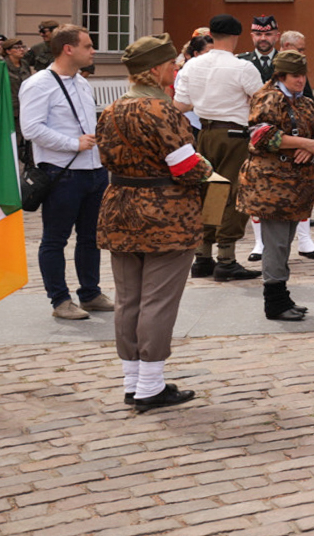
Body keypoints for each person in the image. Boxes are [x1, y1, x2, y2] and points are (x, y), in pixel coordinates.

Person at [97, 35, 212, 412]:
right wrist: (207, 166)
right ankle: (150, 385)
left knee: (128, 299)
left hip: (121, 209)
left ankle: (133, 381)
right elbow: (186, 167)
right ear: (155, 69)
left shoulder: (111, 109)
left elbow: (105, 158)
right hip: (166, 215)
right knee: (158, 301)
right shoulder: (163, 111)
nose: (175, 70)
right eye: (171, 65)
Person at [20, 25, 116, 321]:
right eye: (88, 46)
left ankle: (90, 293)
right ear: (68, 49)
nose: (93, 51)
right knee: (55, 239)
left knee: (90, 237)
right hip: (61, 173)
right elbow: (31, 128)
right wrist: (72, 144)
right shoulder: (39, 84)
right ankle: (60, 299)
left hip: (93, 171)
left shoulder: (82, 82)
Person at [172, 13, 264, 282]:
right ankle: (226, 258)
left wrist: (207, 99)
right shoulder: (242, 67)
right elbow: (261, 102)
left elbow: (181, 105)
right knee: (235, 193)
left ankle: (203, 257)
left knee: (210, 191)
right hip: (235, 135)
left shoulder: (192, 65)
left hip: (205, 133)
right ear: (236, 37)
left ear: (210, 35)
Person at [239, 50, 314, 322]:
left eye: (303, 75)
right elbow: (260, 135)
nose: (301, 80)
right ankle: (274, 302)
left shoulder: (304, 102)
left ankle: (282, 296)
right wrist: (304, 143)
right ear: (280, 75)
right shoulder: (268, 98)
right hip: (271, 184)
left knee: (285, 243)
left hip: (297, 186)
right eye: (294, 76)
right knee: (275, 244)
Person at [242, 15, 279, 81]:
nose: (263, 38)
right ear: (252, 36)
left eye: (268, 34)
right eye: (258, 34)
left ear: (277, 36)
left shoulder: (286, 61)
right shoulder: (242, 61)